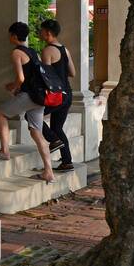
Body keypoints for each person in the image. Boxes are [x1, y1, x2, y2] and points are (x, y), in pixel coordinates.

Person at [0, 21, 54, 183]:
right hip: (40, 97)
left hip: (29, 96)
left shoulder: (16, 53)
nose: (9, 38)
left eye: (10, 35)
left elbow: (21, 78)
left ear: (14, 36)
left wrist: (12, 86)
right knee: (37, 133)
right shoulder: (33, 52)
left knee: (0, 113)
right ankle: (48, 172)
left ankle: (4, 151)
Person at [38, 19, 75, 171]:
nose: (39, 33)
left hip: (56, 95)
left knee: (32, 116)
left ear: (48, 33)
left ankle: (53, 140)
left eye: (41, 30)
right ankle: (67, 161)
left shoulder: (47, 50)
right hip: (68, 94)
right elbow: (72, 73)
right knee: (57, 127)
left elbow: (45, 76)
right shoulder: (64, 50)